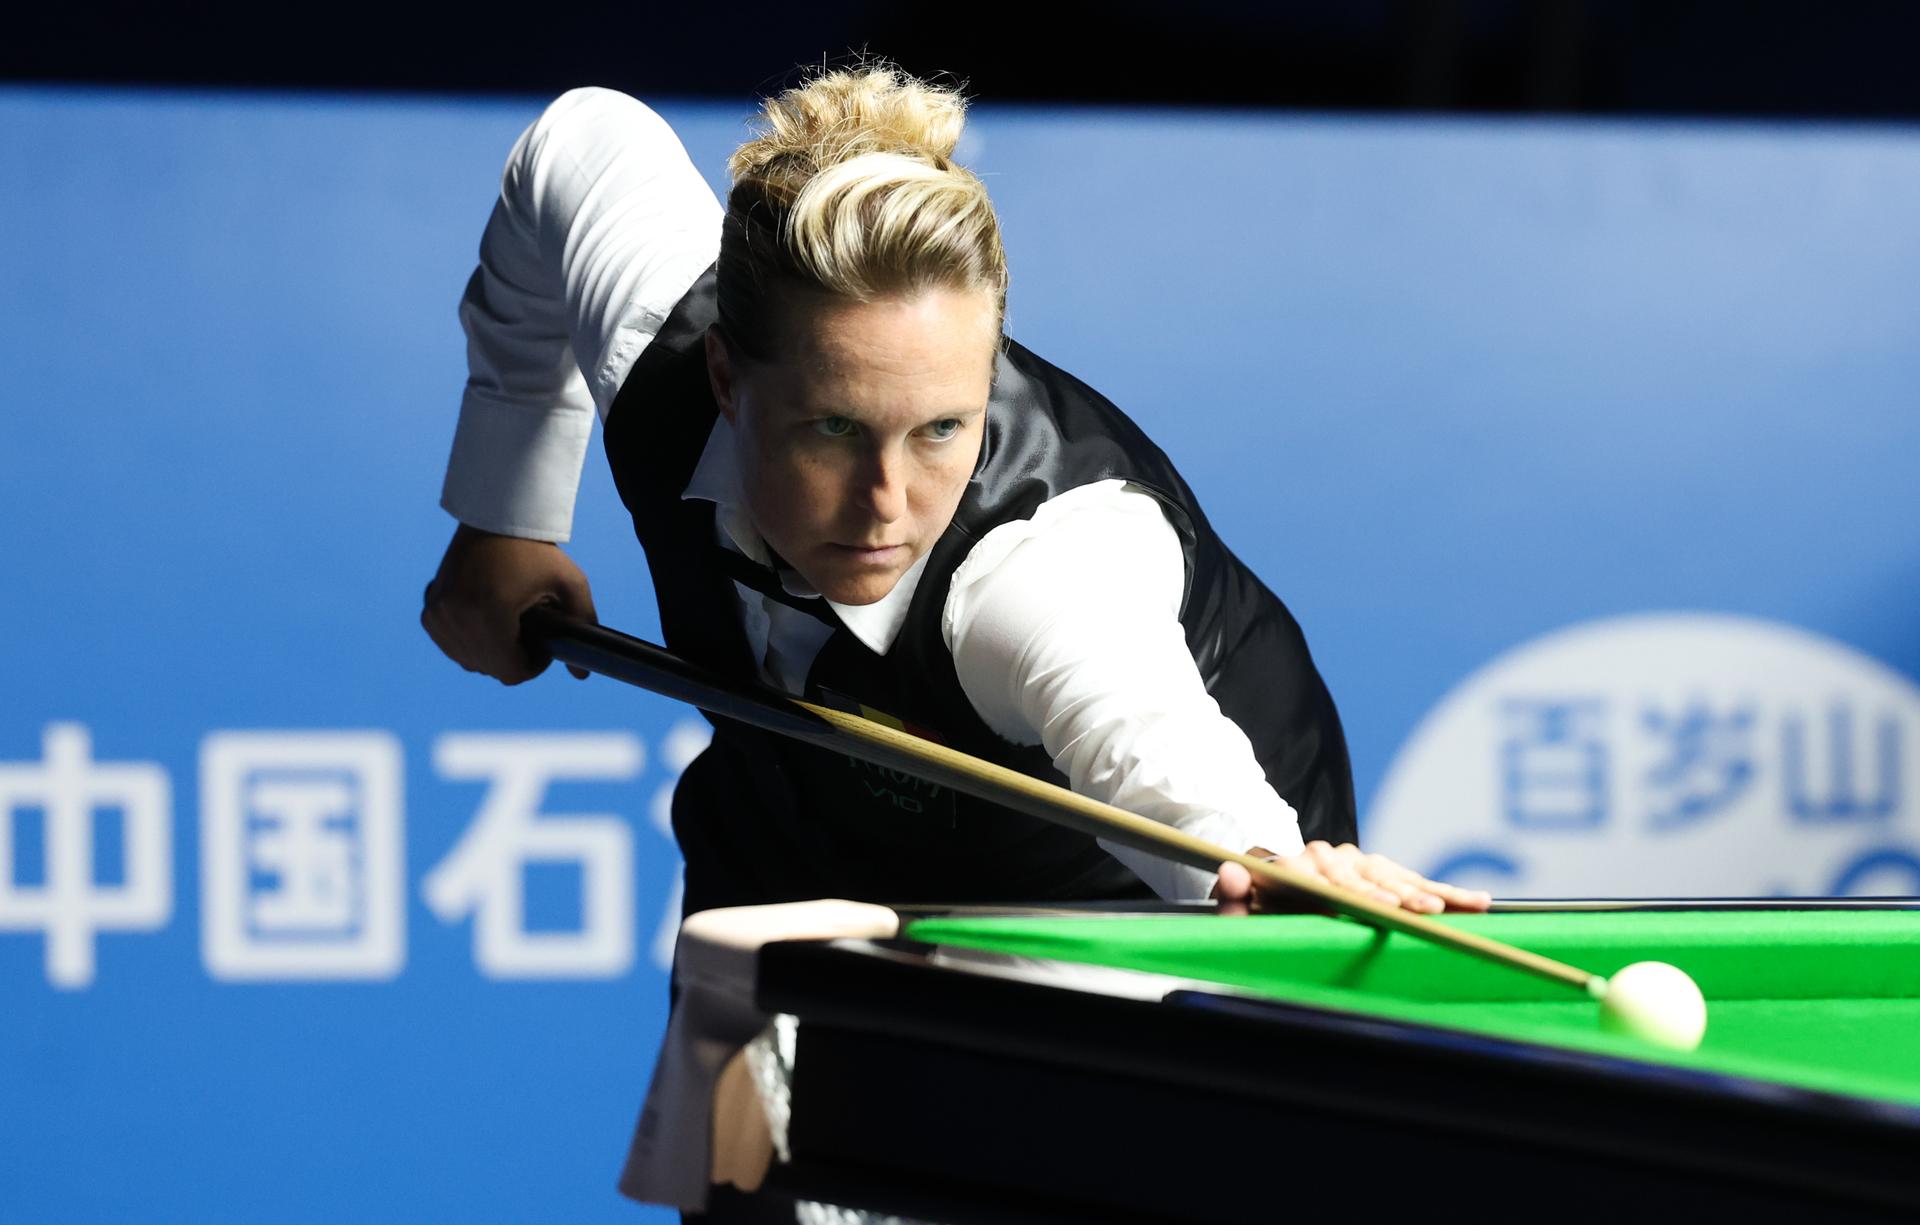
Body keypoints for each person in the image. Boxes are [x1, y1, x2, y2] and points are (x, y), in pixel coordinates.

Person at [420, 65, 1489, 929]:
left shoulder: (1044, 575)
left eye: (942, 428)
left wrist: (1256, 858)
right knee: (749, 1162)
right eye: (832, 429)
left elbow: (1145, 741)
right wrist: (500, 518)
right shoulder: (661, 342)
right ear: (727, 381)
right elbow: (578, 139)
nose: (887, 502)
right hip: (790, 808)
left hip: (1097, 885)